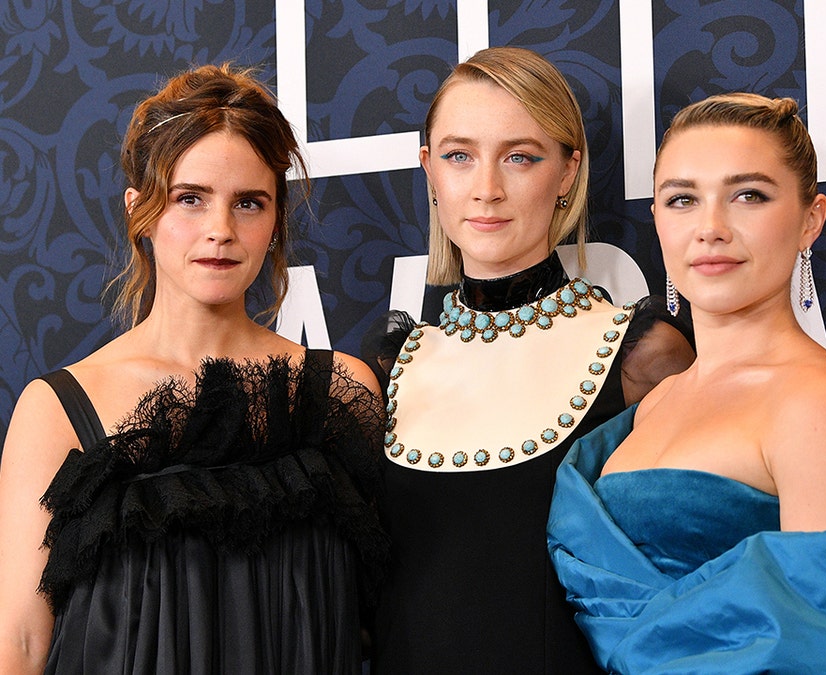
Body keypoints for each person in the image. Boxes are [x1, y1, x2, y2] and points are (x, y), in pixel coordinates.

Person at [0, 64, 387, 674]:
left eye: (249, 203)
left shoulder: (339, 390)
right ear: (140, 211)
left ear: (277, 219)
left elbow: (389, 617)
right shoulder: (61, 407)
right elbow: (20, 643)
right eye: (190, 198)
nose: (220, 231)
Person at [547, 93, 826, 673]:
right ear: (658, 221)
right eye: (682, 200)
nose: (710, 228)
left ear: (810, 219)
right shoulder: (655, 402)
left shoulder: (816, 401)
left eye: (749, 195)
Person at [368, 46, 694, 674]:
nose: (486, 189)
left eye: (520, 157)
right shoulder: (384, 372)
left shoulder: (643, 355)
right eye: (460, 156)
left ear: (568, 171)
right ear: (428, 170)